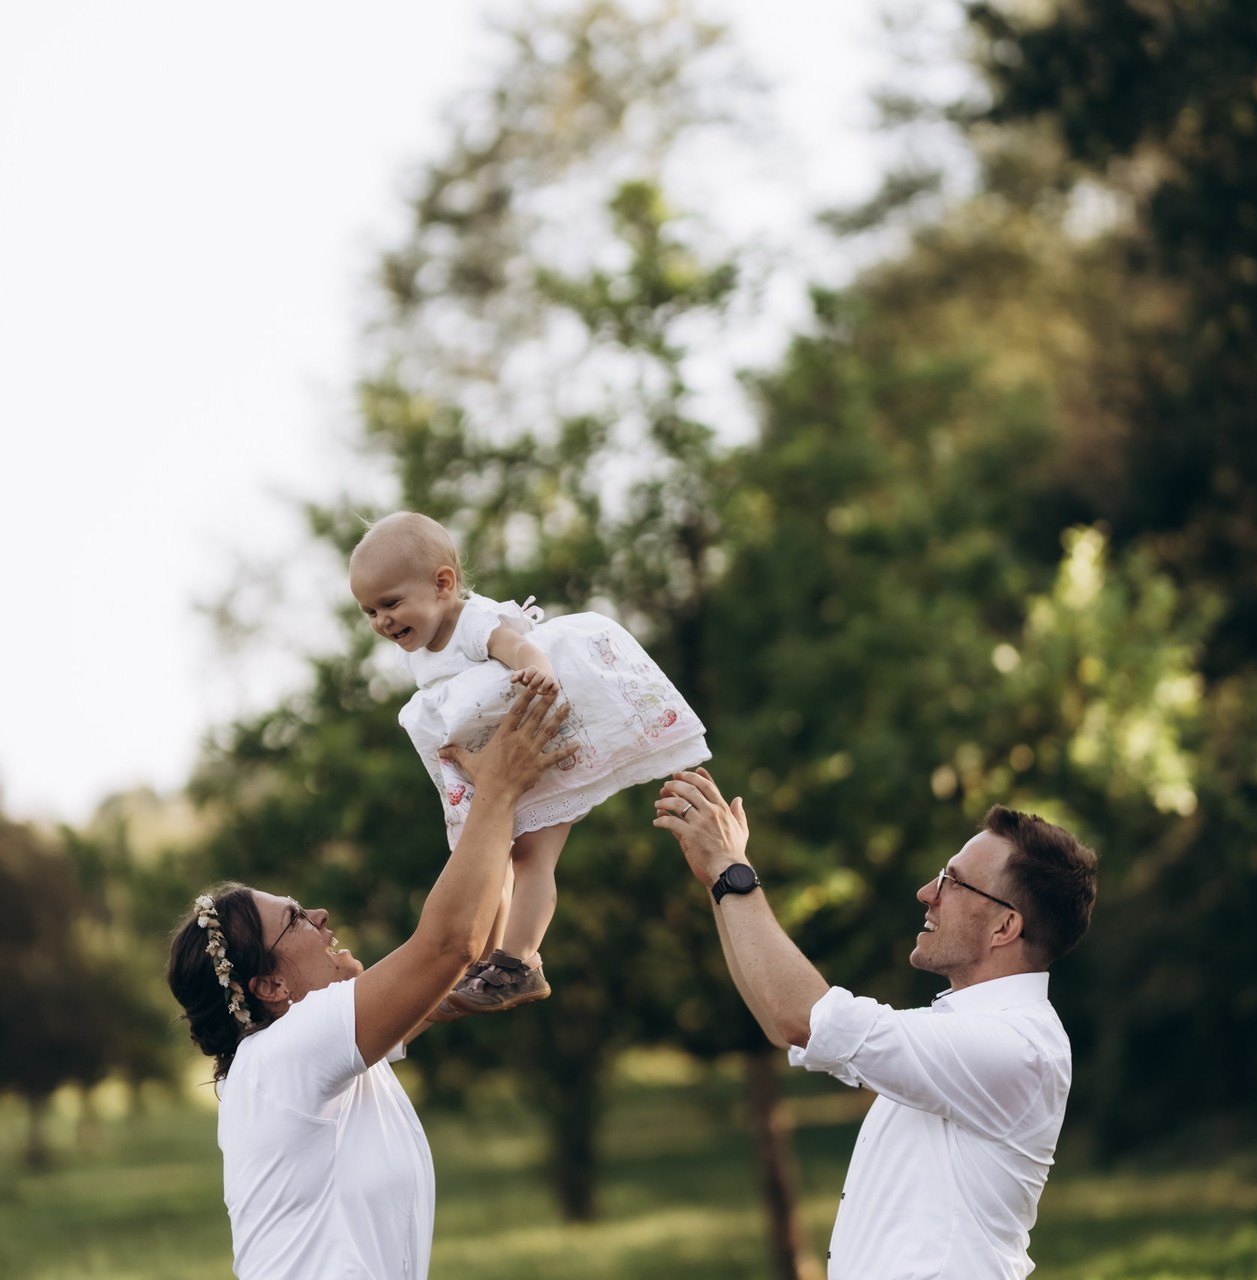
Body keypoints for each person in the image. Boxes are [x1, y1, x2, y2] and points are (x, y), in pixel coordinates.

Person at [167, 689, 576, 1280]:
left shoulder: (315, 1054)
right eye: (297, 919)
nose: (322, 917)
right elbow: (445, 947)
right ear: (270, 986)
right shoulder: (285, 1056)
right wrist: (497, 790)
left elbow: (468, 960)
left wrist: (495, 814)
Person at [655, 767, 1098, 1279]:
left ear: (1005, 926)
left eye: (953, 882)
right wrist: (720, 879)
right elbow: (782, 1025)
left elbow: (804, 1018)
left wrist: (734, 871)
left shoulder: (1016, 1045)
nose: (927, 892)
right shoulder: (965, 1030)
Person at [349, 510, 710, 1017]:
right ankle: (482, 964)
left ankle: (519, 962)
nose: (382, 621)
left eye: (390, 603)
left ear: (443, 584)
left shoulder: (472, 622)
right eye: (369, 612)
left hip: (542, 753)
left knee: (532, 858)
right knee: (491, 859)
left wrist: (537, 671)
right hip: (497, 766)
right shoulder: (417, 649)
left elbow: (520, 647)